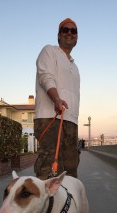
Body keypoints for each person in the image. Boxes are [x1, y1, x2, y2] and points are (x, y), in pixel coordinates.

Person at [34, 18, 80, 179]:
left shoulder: (74, 66)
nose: (69, 33)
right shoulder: (49, 51)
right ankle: (46, 204)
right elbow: (45, 76)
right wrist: (56, 99)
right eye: (65, 30)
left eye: (73, 31)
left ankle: (68, 204)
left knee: (70, 171)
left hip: (71, 122)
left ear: (77, 37)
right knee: (49, 170)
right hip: (50, 118)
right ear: (59, 35)